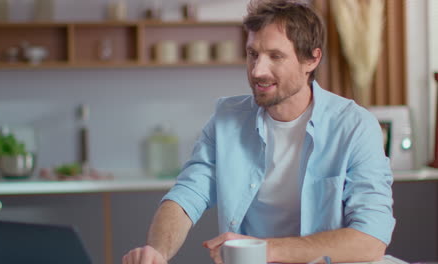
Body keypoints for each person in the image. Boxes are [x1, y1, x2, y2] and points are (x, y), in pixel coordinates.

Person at [123, 0, 395, 263]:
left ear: (312, 60)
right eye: (253, 54)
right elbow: (186, 196)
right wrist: (157, 251)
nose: (257, 70)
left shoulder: (355, 127)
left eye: (275, 56)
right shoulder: (226, 120)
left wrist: (265, 250)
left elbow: (371, 239)